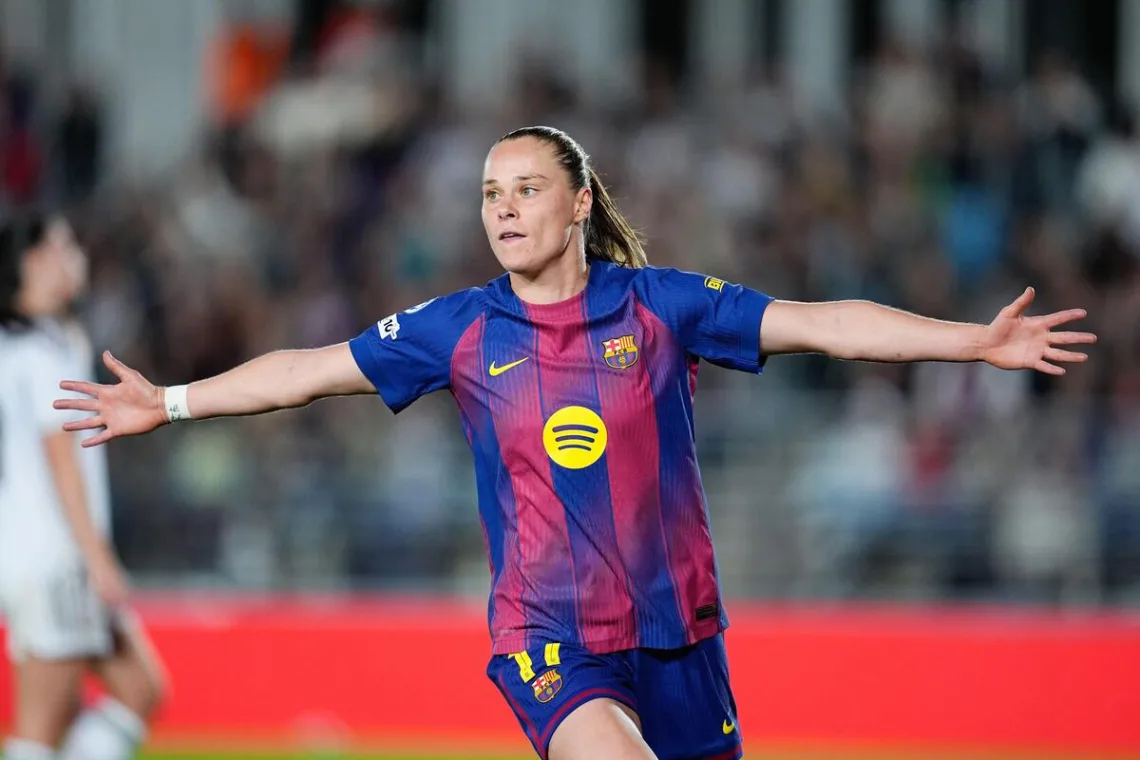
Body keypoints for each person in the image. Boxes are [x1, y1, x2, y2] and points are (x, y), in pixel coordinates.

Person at [53, 126, 1096, 760]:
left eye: (526, 189)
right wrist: (171, 402)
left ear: (580, 203)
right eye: (489, 193)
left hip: (680, 634)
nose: (503, 209)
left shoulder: (661, 307)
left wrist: (974, 341)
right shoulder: (459, 329)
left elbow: (824, 322)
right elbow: (308, 371)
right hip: (549, 637)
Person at [0, 214, 166, 760]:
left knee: (141, 688)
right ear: (32, 263)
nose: (77, 256)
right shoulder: (40, 351)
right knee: (38, 729)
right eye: (64, 245)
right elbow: (61, 460)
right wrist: (96, 558)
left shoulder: (29, 343)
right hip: (55, 558)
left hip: (35, 553)